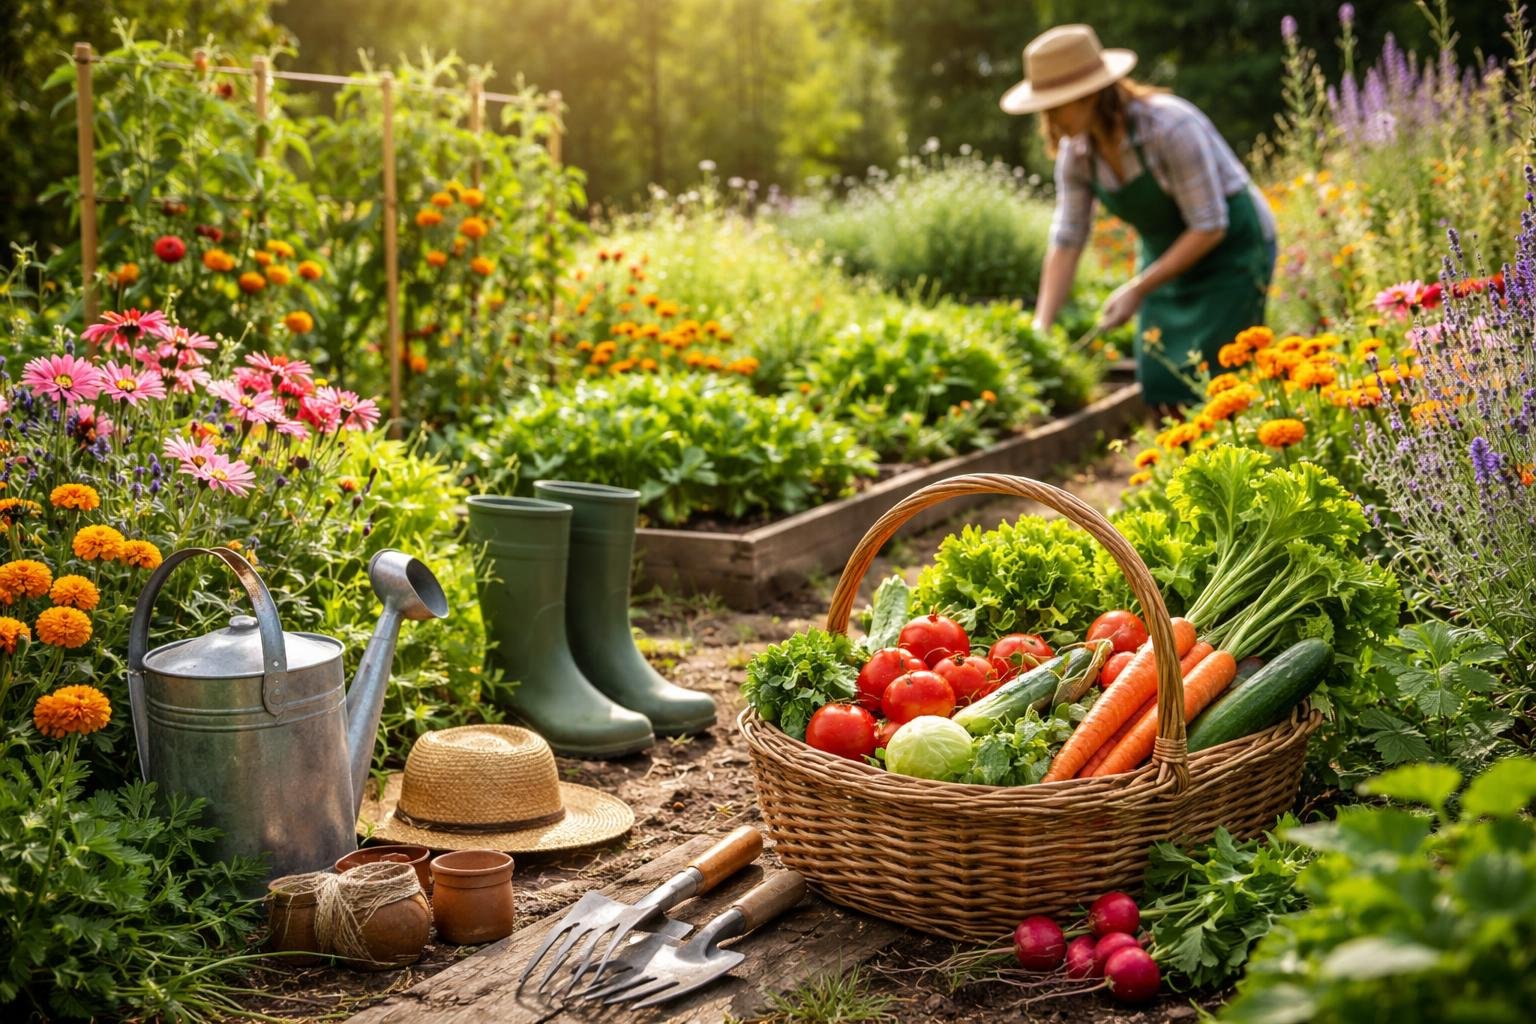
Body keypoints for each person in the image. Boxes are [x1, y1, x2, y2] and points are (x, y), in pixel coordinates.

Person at [1001, 24, 1276, 407]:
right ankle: (1176, 466)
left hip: (1231, 253)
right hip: (1165, 259)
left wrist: (1137, 289)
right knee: (1160, 376)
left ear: (1090, 94)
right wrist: (1041, 325)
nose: (1049, 120)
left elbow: (1210, 225)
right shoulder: (1076, 155)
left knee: (1222, 381)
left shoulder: (1169, 127)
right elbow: (1067, 238)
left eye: (1056, 105)